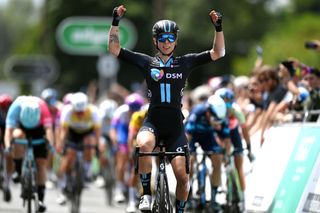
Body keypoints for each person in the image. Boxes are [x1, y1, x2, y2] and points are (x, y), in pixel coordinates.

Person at [108, 4, 225, 212]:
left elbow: (219, 52)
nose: (167, 43)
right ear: (155, 41)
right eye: (162, 38)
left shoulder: (185, 63)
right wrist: (115, 22)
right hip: (153, 122)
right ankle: (145, 194)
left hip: (175, 128)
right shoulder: (147, 62)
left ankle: (179, 209)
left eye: (171, 38)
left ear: (176, 41)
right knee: (144, 147)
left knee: (183, 177)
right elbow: (114, 49)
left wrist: (218, 28)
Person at [4, 95, 54, 212]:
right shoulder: (16, 107)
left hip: (39, 129)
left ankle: (41, 199)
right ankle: (19, 170)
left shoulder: (43, 107)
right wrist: (7, 146)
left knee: (41, 163)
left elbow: (49, 130)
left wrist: (50, 144)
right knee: (17, 136)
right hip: (21, 128)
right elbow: (8, 131)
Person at [55, 92, 101, 205]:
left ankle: (86, 172)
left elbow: (97, 132)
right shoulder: (67, 111)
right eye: (77, 112)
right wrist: (62, 145)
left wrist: (96, 147)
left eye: (82, 112)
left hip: (87, 133)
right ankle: (64, 184)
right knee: (69, 154)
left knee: (90, 143)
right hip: (72, 133)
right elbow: (63, 132)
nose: (80, 114)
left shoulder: (93, 111)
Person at [184, 94, 228, 209]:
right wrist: (187, 152)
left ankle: (213, 198)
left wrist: (225, 154)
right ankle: (187, 196)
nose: (215, 121)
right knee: (189, 161)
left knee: (217, 160)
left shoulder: (221, 114)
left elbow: (225, 137)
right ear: (208, 111)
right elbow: (187, 135)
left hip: (207, 136)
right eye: (213, 118)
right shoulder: (198, 111)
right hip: (192, 135)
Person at [109, 93, 144, 203]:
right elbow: (113, 129)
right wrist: (116, 142)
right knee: (123, 156)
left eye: (135, 109)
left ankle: (137, 185)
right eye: (131, 109)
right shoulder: (121, 111)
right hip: (123, 132)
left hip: (137, 130)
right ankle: (119, 188)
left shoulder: (143, 112)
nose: (132, 112)